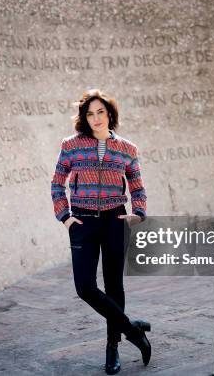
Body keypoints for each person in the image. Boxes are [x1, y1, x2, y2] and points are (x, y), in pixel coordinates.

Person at [50, 89, 152, 374]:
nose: (95, 118)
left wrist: (138, 212)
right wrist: (65, 217)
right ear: (84, 117)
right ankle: (133, 331)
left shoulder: (127, 149)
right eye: (90, 113)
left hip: (115, 221)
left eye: (101, 112)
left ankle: (113, 347)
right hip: (82, 222)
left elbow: (137, 185)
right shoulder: (71, 145)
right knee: (85, 287)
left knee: (113, 286)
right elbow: (57, 182)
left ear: (110, 114)